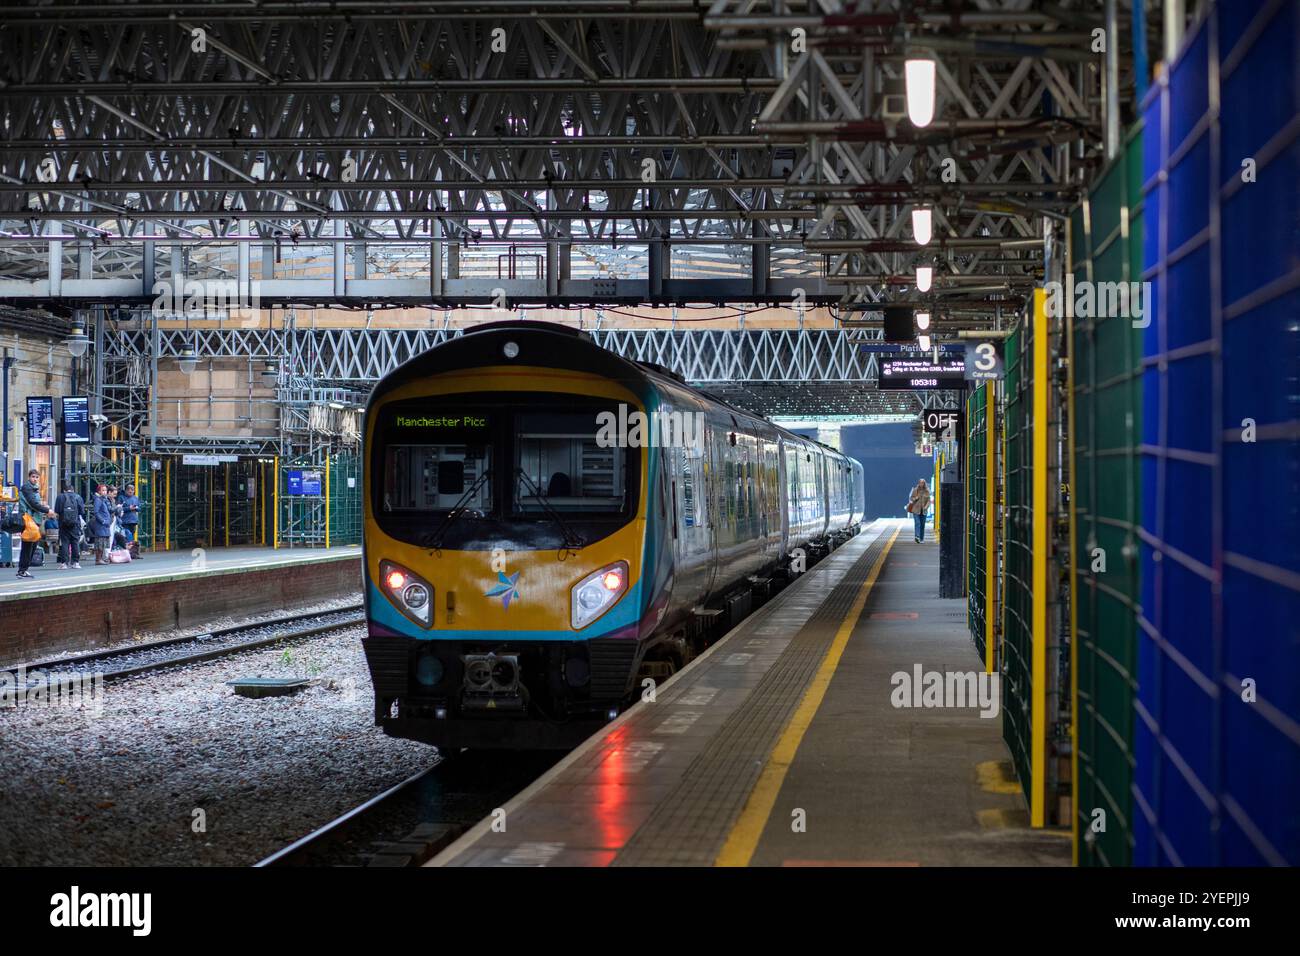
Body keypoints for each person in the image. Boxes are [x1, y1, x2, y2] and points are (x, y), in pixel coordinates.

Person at [17, 469, 56, 579]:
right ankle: (22, 570)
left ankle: (24, 569)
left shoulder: (34, 489)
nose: (35, 479)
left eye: (37, 477)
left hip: (34, 520)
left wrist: (44, 506)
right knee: (28, 546)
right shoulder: (27, 488)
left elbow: (35, 503)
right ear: (29, 477)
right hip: (29, 520)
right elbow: (33, 504)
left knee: (32, 546)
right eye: (33, 477)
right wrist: (47, 510)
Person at [53, 481, 86, 570]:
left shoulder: (60, 497)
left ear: (64, 490)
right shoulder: (78, 497)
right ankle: (75, 562)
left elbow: (57, 510)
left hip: (63, 523)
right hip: (75, 524)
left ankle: (64, 563)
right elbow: (82, 511)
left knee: (64, 543)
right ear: (73, 490)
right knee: (75, 542)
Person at [90, 484, 114, 565]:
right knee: (100, 542)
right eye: (103, 490)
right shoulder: (98, 500)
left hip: (105, 524)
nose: (105, 492)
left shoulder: (104, 500)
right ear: (99, 491)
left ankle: (101, 558)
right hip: (101, 525)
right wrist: (102, 521)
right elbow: (96, 512)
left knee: (103, 542)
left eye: (105, 490)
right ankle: (98, 559)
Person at [907, 478, 931, 543]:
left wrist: (926, 507)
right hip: (916, 510)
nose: (921, 484)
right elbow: (911, 499)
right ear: (919, 483)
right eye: (920, 482)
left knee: (922, 525)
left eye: (923, 483)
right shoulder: (915, 490)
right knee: (917, 523)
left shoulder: (927, 491)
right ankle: (917, 537)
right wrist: (915, 498)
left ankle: (921, 539)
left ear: (924, 483)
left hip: (924, 511)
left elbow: (929, 501)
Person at [120, 483, 141, 549]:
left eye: (132, 489)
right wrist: (129, 508)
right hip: (124, 521)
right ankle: (128, 550)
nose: (130, 491)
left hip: (133, 520)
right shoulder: (121, 497)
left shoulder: (135, 498)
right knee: (127, 535)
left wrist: (136, 508)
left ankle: (131, 551)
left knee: (131, 534)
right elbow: (119, 508)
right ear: (125, 490)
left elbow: (139, 508)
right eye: (129, 489)